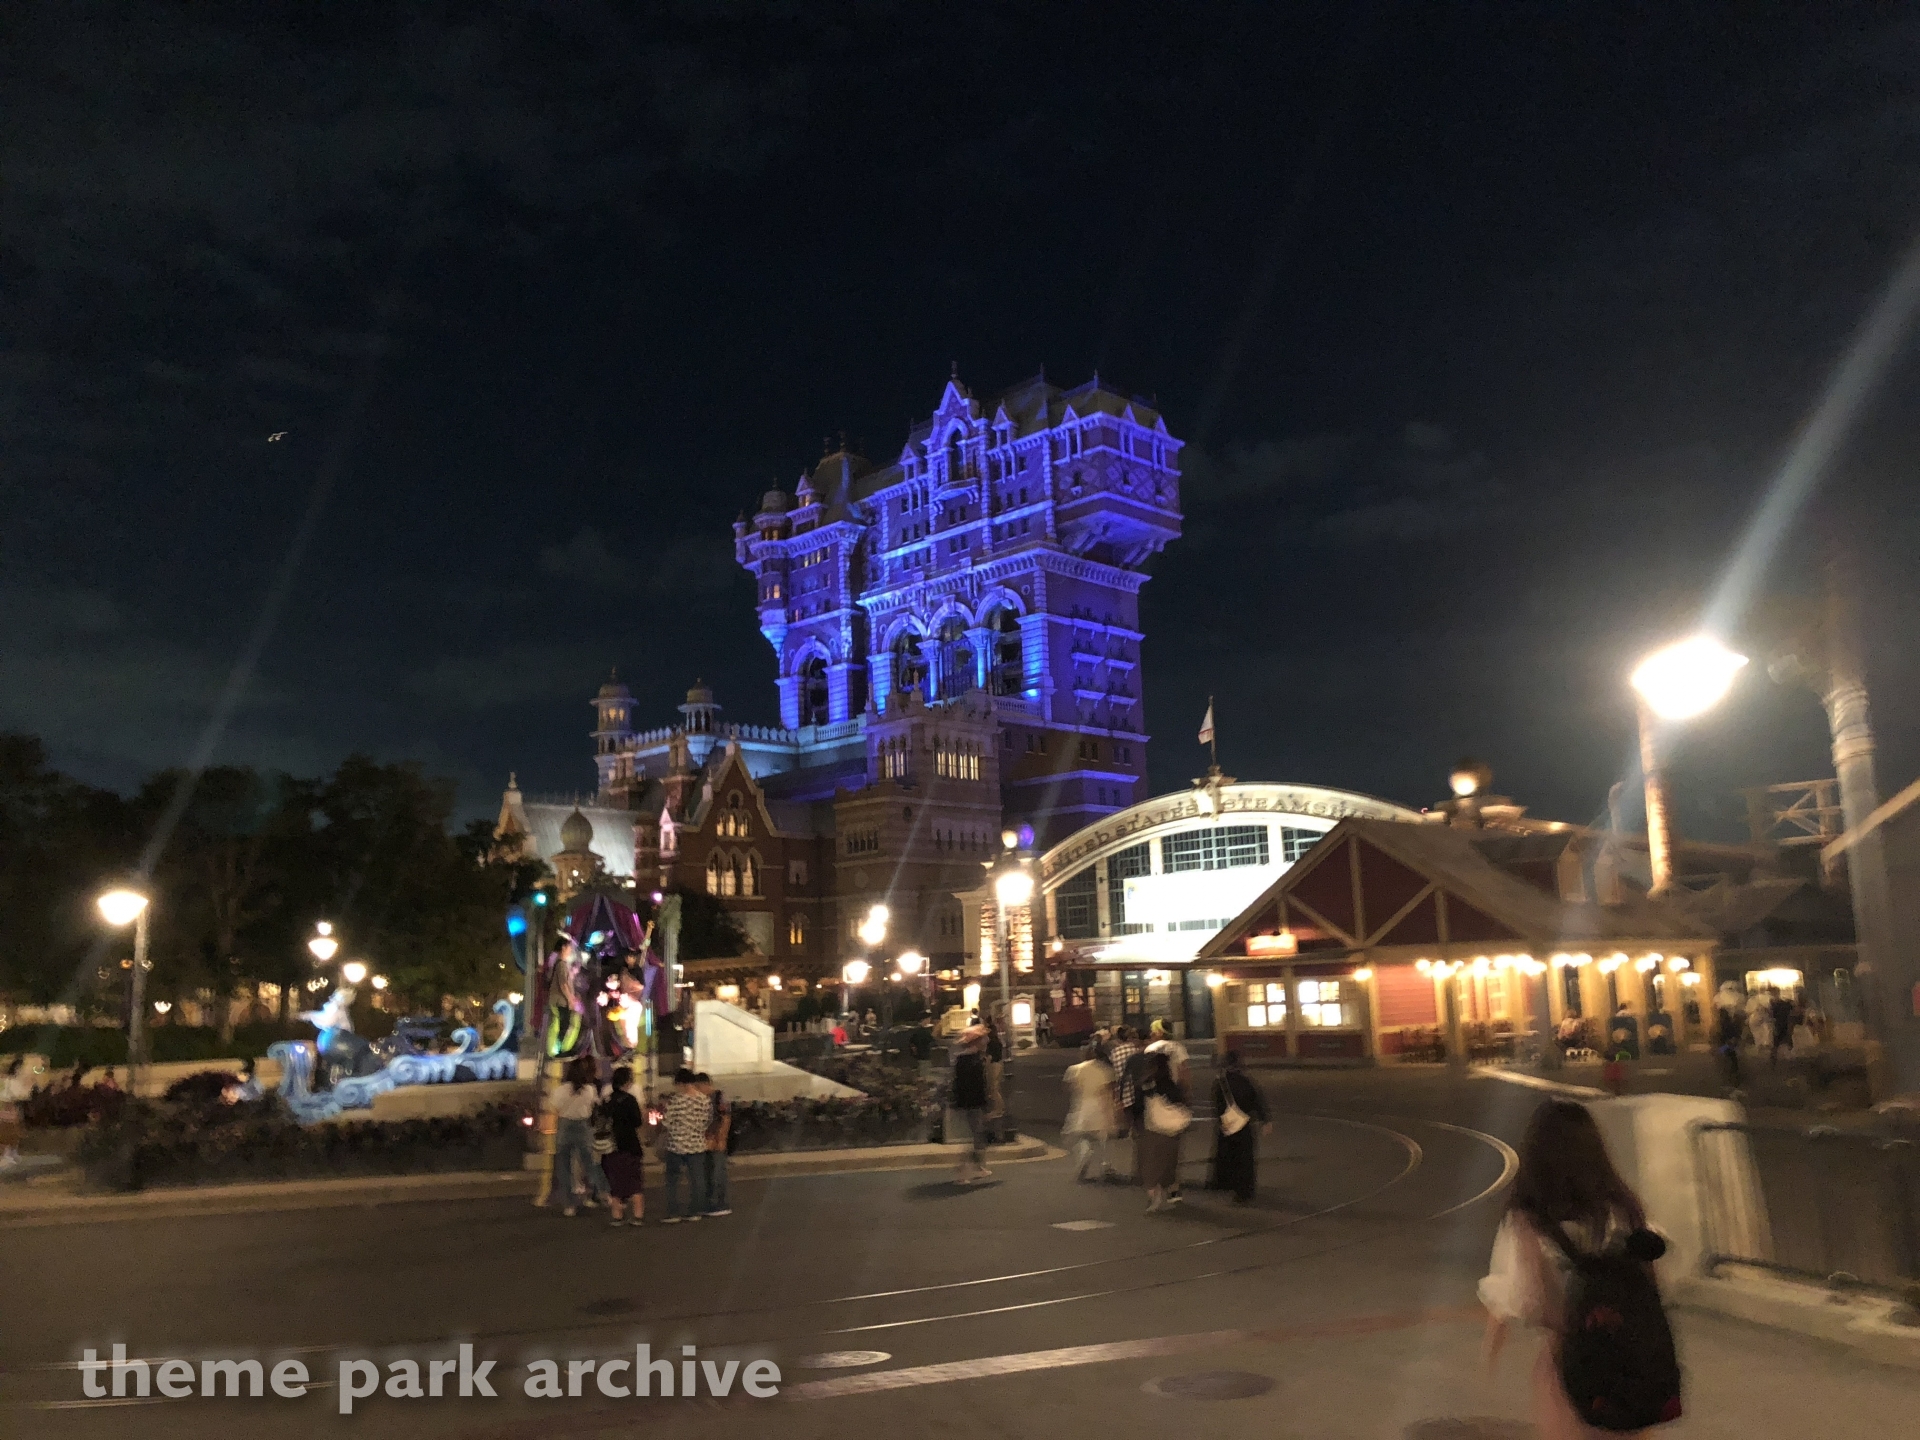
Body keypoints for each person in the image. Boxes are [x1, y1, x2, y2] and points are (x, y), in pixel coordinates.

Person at [1480, 1099, 1665, 1439]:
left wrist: (1490, 1352)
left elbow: (1518, 1298)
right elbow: (1652, 1279)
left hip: (1567, 1364)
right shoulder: (1625, 1210)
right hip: (1630, 1359)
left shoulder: (1529, 1222)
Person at [542, 1056, 608, 1217]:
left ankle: (569, 1204)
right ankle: (600, 1193)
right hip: (583, 1126)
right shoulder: (589, 1089)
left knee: (565, 1168)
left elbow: (553, 1109)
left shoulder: (560, 1090)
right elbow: (595, 1106)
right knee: (590, 1164)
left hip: (565, 1126)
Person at [1207, 1051, 1270, 1202]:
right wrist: (1265, 1120)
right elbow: (1257, 1100)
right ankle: (1244, 1190)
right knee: (1244, 1159)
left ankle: (1225, 1183)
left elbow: (1217, 1103)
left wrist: (1221, 1119)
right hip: (1244, 1123)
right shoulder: (1246, 1081)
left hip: (1227, 1124)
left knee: (1226, 1155)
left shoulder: (1221, 1082)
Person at [1134, 1050, 1187, 1213]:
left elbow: (1138, 1106)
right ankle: (1173, 1191)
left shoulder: (1145, 1083)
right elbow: (1180, 1102)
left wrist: (1136, 1125)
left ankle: (1153, 1194)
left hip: (1152, 1128)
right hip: (1171, 1130)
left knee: (1151, 1163)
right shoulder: (1169, 1084)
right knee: (1170, 1161)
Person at [1145, 1019, 1191, 1201]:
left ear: (1158, 1032)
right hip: (1174, 1100)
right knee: (1173, 1149)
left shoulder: (1150, 1049)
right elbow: (1184, 1073)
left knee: (1156, 1149)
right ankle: (1173, 1187)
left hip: (1154, 1101)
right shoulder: (1177, 1048)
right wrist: (1186, 1095)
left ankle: (1155, 1186)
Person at [660, 1067, 711, 1222]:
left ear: (681, 1083)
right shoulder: (704, 1100)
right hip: (697, 1144)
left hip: (676, 1145)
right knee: (697, 1180)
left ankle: (674, 1213)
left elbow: (667, 1122)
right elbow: (707, 1121)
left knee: (672, 1180)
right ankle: (695, 1211)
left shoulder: (676, 1100)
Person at [1062, 1042, 1116, 1181]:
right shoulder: (1104, 1070)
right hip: (1099, 1105)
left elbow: (1070, 1087)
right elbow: (1107, 1092)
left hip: (1083, 1105)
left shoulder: (1074, 1069)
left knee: (1081, 1135)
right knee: (1103, 1138)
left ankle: (1085, 1153)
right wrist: (1110, 1111)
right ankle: (1105, 1164)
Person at [601, 1065, 646, 1226]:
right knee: (634, 1181)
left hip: (610, 1145)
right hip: (629, 1144)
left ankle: (617, 1215)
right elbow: (637, 1122)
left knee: (615, 1182)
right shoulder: (630, 1100)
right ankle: (637, 1215)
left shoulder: (607, 1100)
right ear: (627, 1082)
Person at [949, 1026, 992, 1183]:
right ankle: (964, 1170)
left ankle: (977, 1167)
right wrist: (985, 1105)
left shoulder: (964, 1059)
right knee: (976, 1136)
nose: (986, 1041)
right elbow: (977, 1086)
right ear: (977, 1041)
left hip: (967, 1103)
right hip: (972, 1104)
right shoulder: (973, 1060)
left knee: (976, 1136)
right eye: (983, 1039)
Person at [1106, 1025, 1142, 1182]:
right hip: (1139, 1094)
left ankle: (1137, 1169)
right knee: (1142, 1132)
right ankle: (1141, 1168)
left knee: (1133, 1132)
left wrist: (1116, 1099)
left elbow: (1114, 1077)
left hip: (1125, 1097)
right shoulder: (1137, 1051)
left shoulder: (1115, 1053)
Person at [699, 1072, 732, 1217]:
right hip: (705, 1140)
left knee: (717, 1172)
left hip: (716, 1140)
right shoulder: (701, 1099)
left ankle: (720, 1203)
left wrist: (721, 1139)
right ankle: (710, 1202)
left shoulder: (719, 1097)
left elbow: (726, 1118)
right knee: (707, 1172)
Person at [983, 1017, 1005, 1128]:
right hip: (999, 1064)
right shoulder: (998, 1041)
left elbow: (989, 1057)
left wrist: (985, 1066)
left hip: (994, 1065)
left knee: (994, 1088)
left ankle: (998, 1109)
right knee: (996, 1088)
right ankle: (999, 1109)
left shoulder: (991, 1043)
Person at [1768, 989, 1795, 1067]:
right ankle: (1789, 1058)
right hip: (1785, 1024)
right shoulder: (1785, 1003)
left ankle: (1774, 1059)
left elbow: (1772, 1015)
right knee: (1786, 1041)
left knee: (1776, 1042)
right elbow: (1792, 1010)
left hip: (1779, 1024)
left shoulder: (1774, 1004)